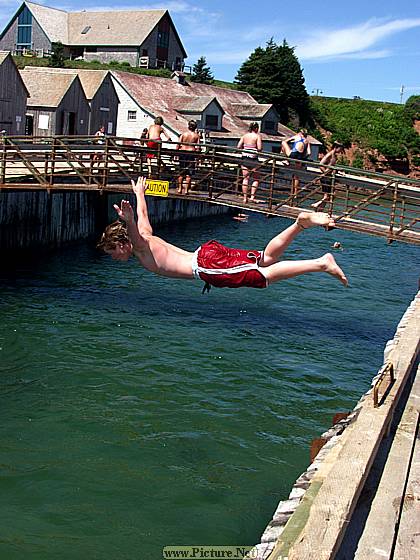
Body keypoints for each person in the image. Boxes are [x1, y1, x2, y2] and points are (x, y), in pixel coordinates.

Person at [97, 177, 348, 292]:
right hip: (208, 254)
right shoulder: (146, 235)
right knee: (265, 258)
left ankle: (321, 263)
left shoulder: (140, 246)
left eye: (113, 252)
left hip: (206, 266)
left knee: (262, 277)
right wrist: (140, 194)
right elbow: (143, 216)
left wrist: (127, 221)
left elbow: (135, 230)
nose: (114, 258)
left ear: (122, 243)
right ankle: (300, 225)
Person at [311, 142, 344, 210]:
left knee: (332, 195)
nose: (341, 150)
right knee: (327, 196)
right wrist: (326, 172)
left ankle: (320, 208)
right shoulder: (330, 154)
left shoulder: (334, 155)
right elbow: (321, 164)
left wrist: (338, 171)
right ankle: (317, 204)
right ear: (336, 147)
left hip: (329, 177)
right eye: (340, 149)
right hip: (326, 177)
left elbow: (331, 166)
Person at [237, 122, 263, 204]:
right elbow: (259, 148)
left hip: (244, 158)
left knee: (245, 179)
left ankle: (245, 198)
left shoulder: (245, 136)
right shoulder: (257, 136)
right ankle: (252, 197)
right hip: (254, 159)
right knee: (256, 179)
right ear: (256, 128)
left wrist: (245, 148)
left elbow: (238, 146)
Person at [176, 120, 200, 195]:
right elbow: (198, 147)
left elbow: (178, 144)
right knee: (189, 174)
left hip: (182, 152)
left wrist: (176, 154)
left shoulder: (183, 134)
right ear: (195, 127)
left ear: (188, 126)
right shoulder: (196, 136)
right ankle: (186, 190)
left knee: (181, 172)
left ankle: (180, 189)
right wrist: (198, 155)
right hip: (191, 153)